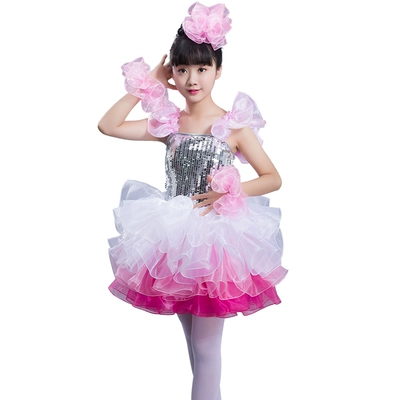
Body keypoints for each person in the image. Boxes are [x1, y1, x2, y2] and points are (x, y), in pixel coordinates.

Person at [98, 2, 287, 399]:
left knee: (205, 348)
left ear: (218, 70)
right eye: (182, 69)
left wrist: (228, 191)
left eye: (202, 69)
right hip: (173, 239)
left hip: (217, 242)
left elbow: (272, 178)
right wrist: (148, 83)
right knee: (193, 346)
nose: (192, 79)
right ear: (173, 75)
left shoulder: (234, 126)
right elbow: (108, 125)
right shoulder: (170, 124)